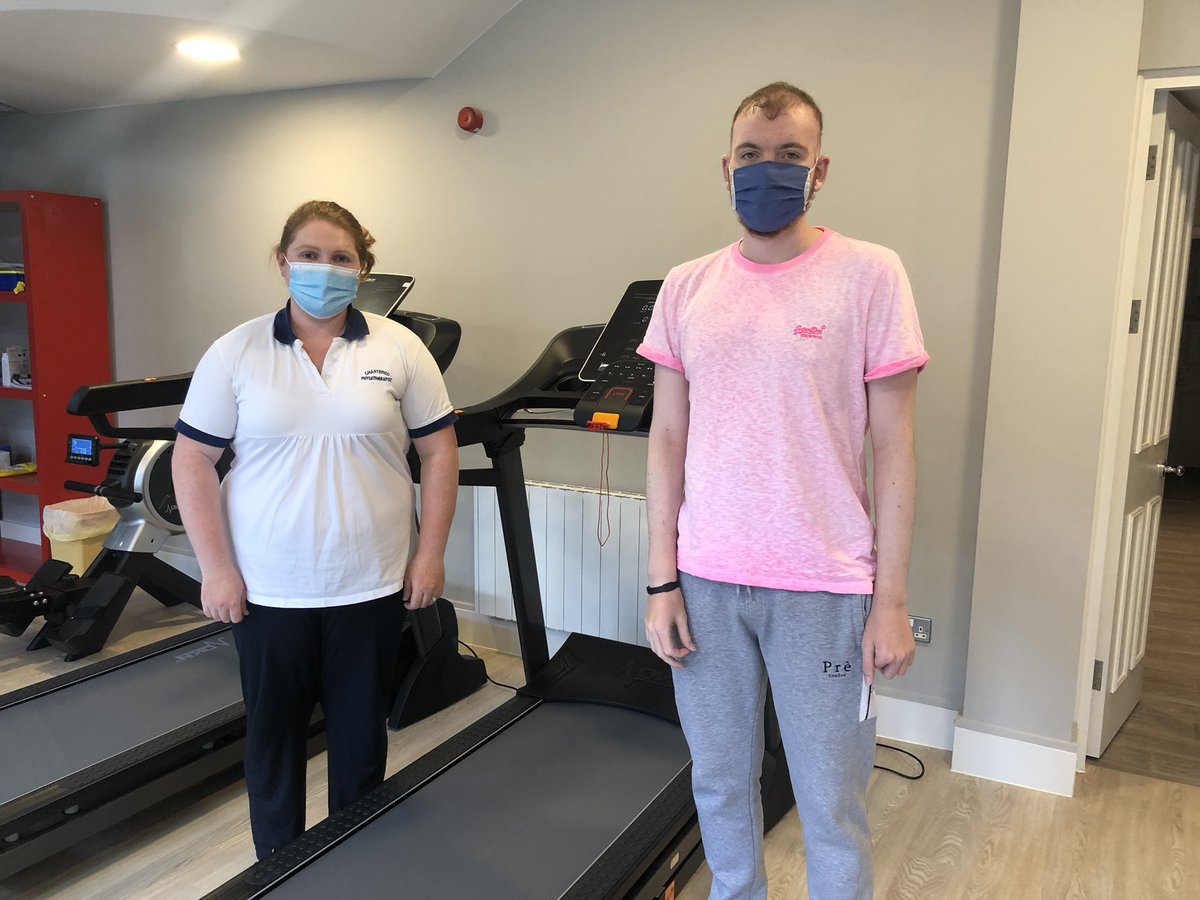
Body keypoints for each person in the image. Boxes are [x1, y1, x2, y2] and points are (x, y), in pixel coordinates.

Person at [638, 83, 927, 900]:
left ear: (820, 169)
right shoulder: (687, 286)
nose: (769, 171)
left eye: (790, 156)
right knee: (721, 788)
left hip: (826, 586)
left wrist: (891, 599)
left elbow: (896, 446)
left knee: (831, 805)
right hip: (704, 581)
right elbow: (666, 441)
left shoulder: (871, 275)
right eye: (753, 156)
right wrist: (662, 579)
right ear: (725, 167)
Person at [172, 200, 459, 860]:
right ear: (282, 262)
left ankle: (348, 868)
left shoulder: (399, 346)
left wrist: (430, 554)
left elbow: (439, 452)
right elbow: (192, 459)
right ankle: (278, 870)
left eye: (341, 258)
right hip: (270, 589)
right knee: (273, 744)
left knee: (360, 741)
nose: (323, 269)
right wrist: (215, 569)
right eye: (309, 254)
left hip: (371, 584)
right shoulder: (236, 351)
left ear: (362, 269)